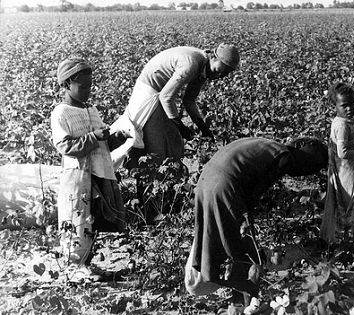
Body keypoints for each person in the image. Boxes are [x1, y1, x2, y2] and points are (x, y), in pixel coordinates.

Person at [184, 137, 328, 310]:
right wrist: (245, 217)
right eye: (311, 163)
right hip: (224, 185)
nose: (306, 171)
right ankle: (246, 303)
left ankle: (237, 297)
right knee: (244, 248)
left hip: (206, 181)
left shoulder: (264, 144)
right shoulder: (285, 156)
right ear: (299, 146)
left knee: (218, 235)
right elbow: (254, 193)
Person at [51, 57, 132, 280]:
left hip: (98, 172)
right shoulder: (61, 113)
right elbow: (65, 146)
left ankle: (87, 262)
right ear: (66, 85)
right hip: (77, 175)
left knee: (94, 218)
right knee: (77, 217)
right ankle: (74, 266)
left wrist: (117, 137)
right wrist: (93, 138)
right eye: (82, 87)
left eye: (90, 86)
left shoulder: (91, 109)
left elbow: (101, 143)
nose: (88, 91)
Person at [110, 43, 240, 168]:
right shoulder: (191, 65)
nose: (218, 76)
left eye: (224, 74)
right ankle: (148, 177)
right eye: (218, 71)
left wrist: (204, 128)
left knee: (172, 143)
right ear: (213, 57)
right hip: (148, 93)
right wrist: (181, 126)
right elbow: (165, 97)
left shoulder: (206, 68)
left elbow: (189, 100)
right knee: (163, 143)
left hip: (159, 94)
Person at [320, 82, 354, 244]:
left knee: (343, 203)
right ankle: (342, 242)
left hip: (345, 170)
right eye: (344, 105)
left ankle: (342, 239)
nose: (349, 109)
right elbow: (343, 152)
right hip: (344, 173)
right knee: (345, 204)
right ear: (336, 106)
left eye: (351, 104)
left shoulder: (344, 122)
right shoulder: (341, 126)